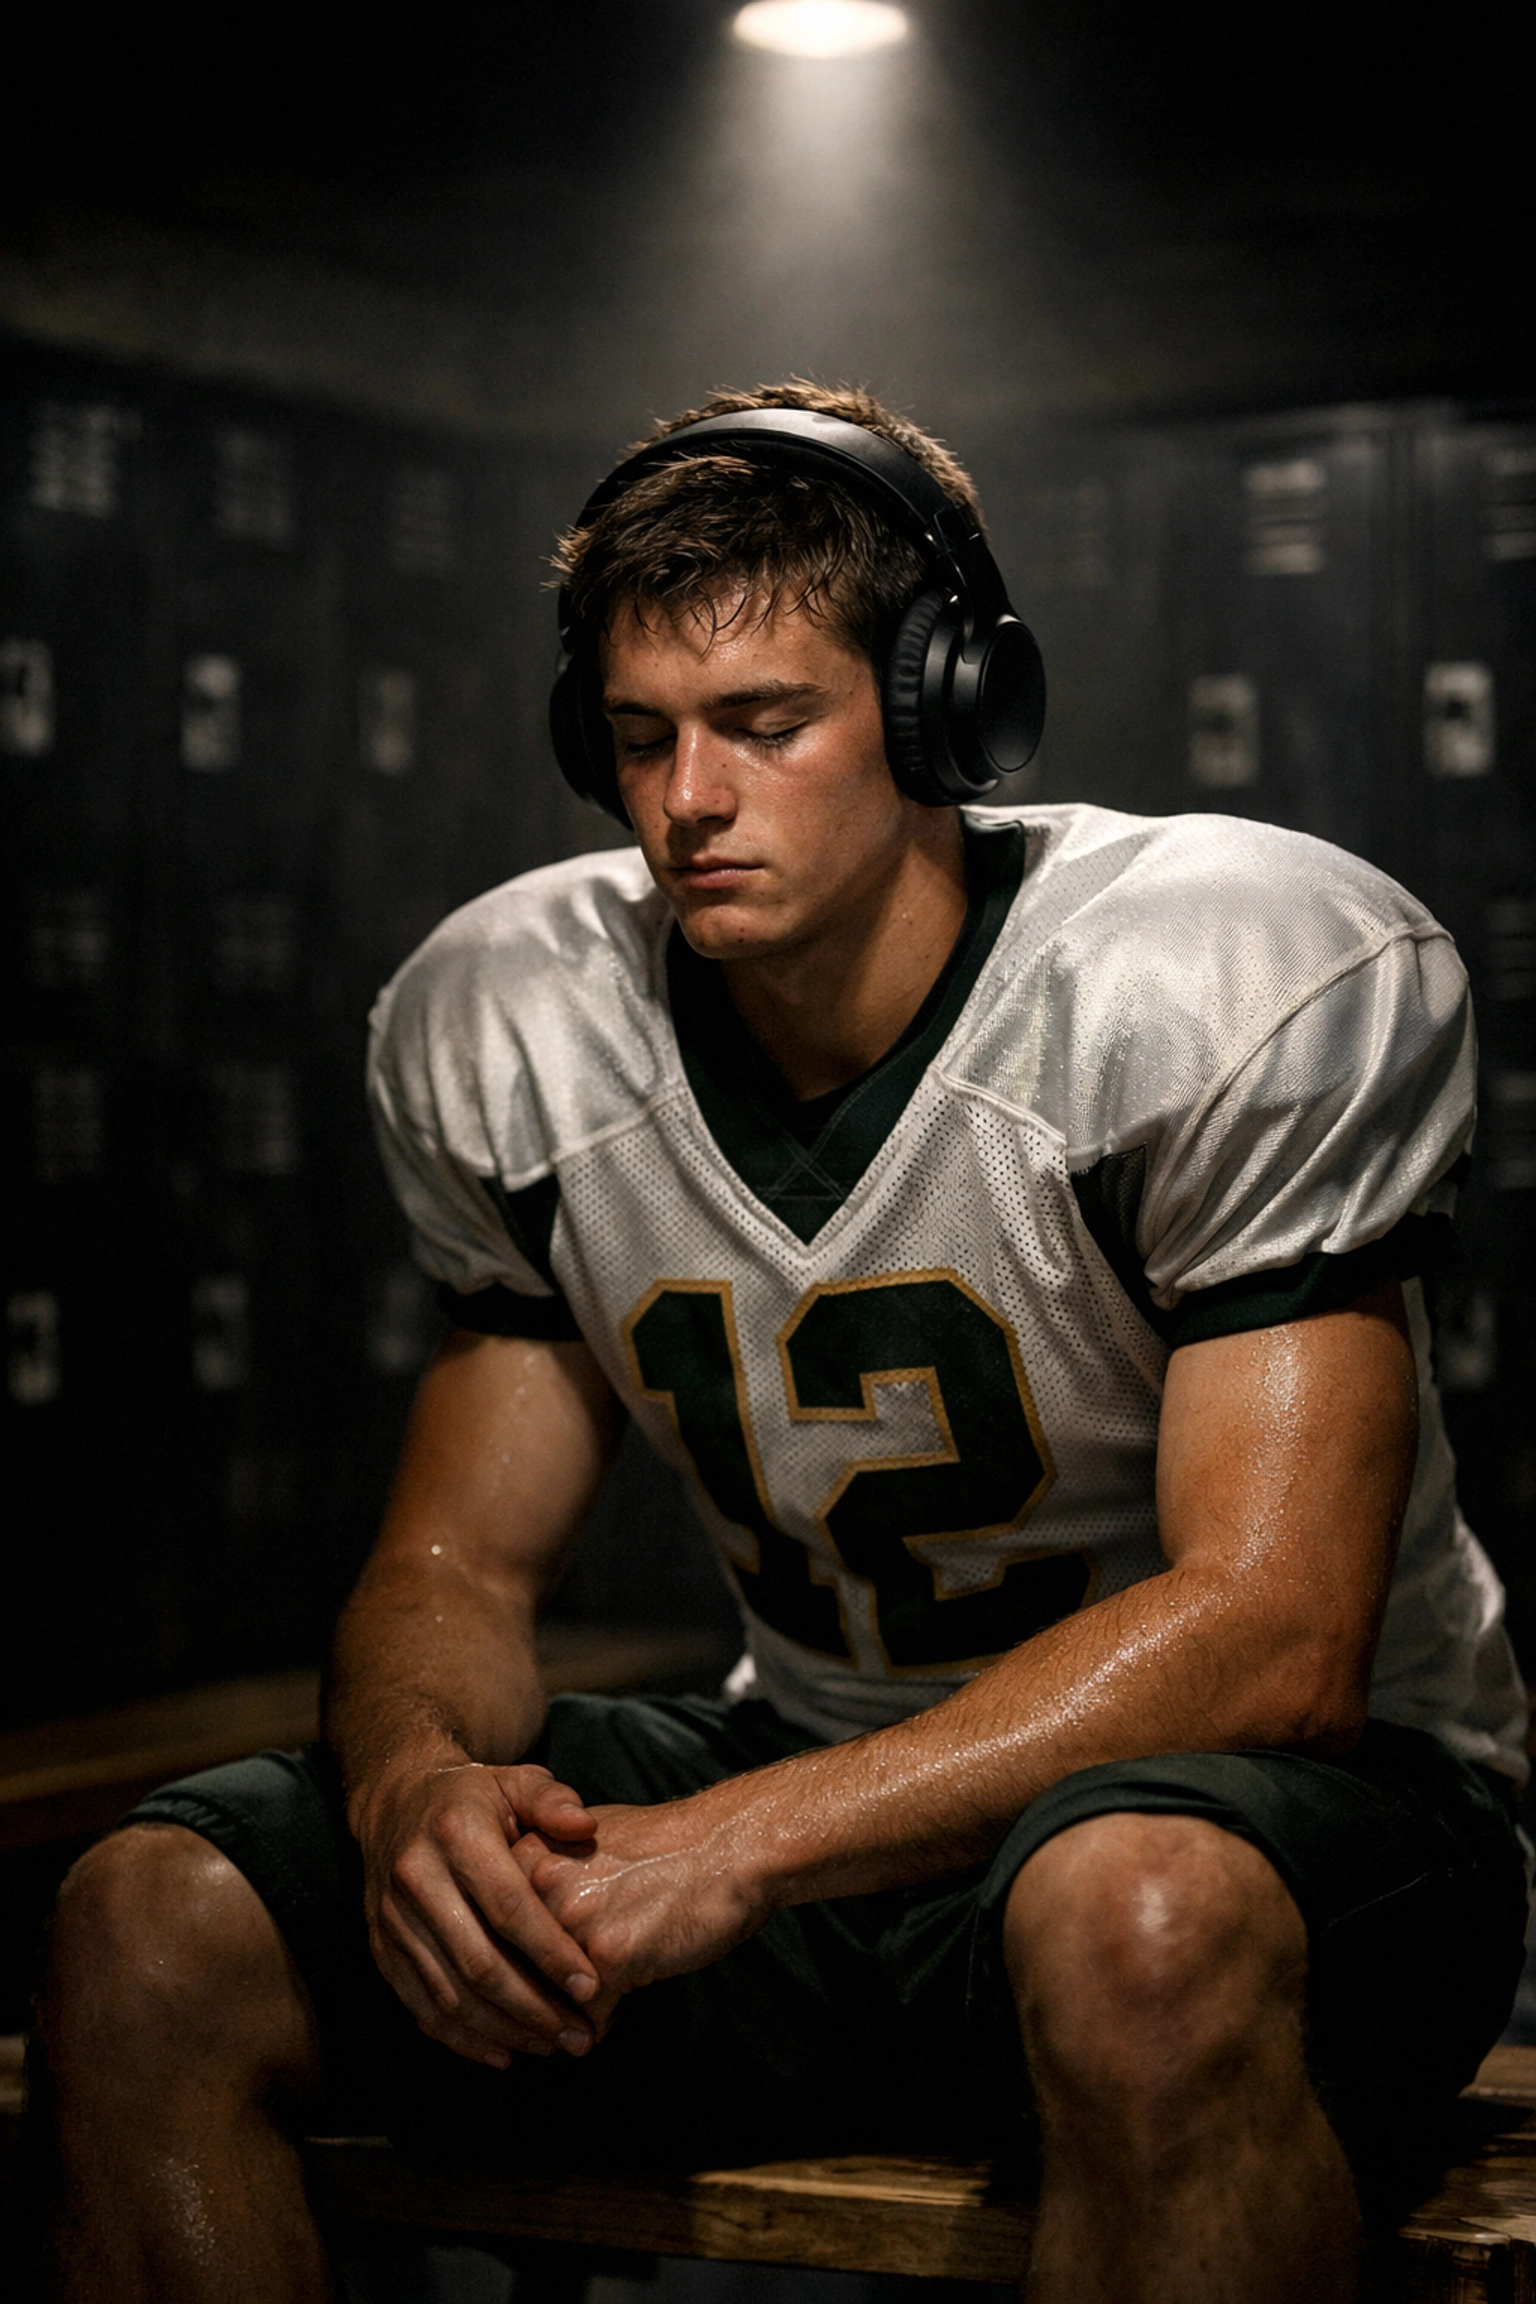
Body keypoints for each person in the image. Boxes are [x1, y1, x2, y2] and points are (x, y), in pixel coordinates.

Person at [38, 383, 1530, 2304]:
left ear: (940, 714)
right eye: (642, 738)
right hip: (828, 1776)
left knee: (1128, 1911)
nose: (689, 803)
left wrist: (725, 1848)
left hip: (1310, 1824)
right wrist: (416, 1788)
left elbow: (1277, 1635)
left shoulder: (1225, 972)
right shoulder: (515, 1015)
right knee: (152, 1925)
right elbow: (457, 1564)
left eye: (764, 724)